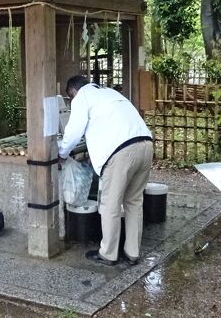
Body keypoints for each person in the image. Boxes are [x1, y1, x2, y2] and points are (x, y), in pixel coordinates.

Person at [58, 75, 153, 266]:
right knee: (134, 201)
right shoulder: (109, 93)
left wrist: (62, 153)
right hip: (146, 145)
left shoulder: (82, 97)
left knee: (110, 204)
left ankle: (108, 254)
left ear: (73, 93)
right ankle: (132, 252)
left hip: (122, 153)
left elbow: (74, 131)